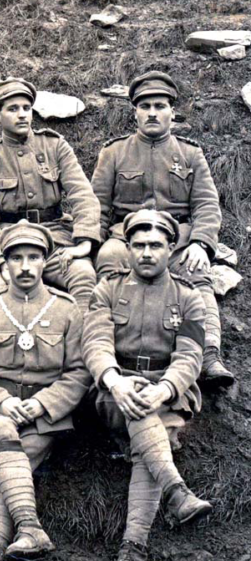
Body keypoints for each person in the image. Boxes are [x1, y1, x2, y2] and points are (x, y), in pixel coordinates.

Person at [82, 209, 212, 561]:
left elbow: (190, 356)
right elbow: (95, 343)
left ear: (172, 248)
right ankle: (176, 491)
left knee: (148, 442)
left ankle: (132, 551)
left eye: (156, 245)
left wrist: (164, 389)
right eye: (138, 245)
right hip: (113, 391)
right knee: (142, 416)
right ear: (127, 248)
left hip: (167, 394)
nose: (146, 253)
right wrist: (114, 381)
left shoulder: (190, 298)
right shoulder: (106, 289)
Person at [0, 219, 91, 561]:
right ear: (5, 263)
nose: (26, 266)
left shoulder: (66, 310)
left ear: (46, 261)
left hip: (44, 417)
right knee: (3, 435)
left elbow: (79, 372)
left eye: (34, 257)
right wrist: (0, 402)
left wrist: (42, 404)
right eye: (17, 258)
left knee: (13, 466)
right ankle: (30, 528)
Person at [91, 70, 234, 387]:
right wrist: (90, 243)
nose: (152, 112)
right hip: (126, 238)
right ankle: (110, 356)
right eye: (145, 106)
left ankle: (208, 354)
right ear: (135, 112)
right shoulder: (114, 152)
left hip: (178, 241)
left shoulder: (190, 154)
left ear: (172, 111)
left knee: (196, 276)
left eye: (159, 105)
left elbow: (207, 205)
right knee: (111, 263)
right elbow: (97, 206)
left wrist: (200, 243)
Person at [0, 77, 101, 313]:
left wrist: (83, 241)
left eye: (26, 108)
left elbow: (82, 194)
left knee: (83, 275)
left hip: (54, 240)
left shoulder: (55, 145)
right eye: (13, 109)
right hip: (8, 244)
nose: (22, 115)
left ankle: (82, 343)